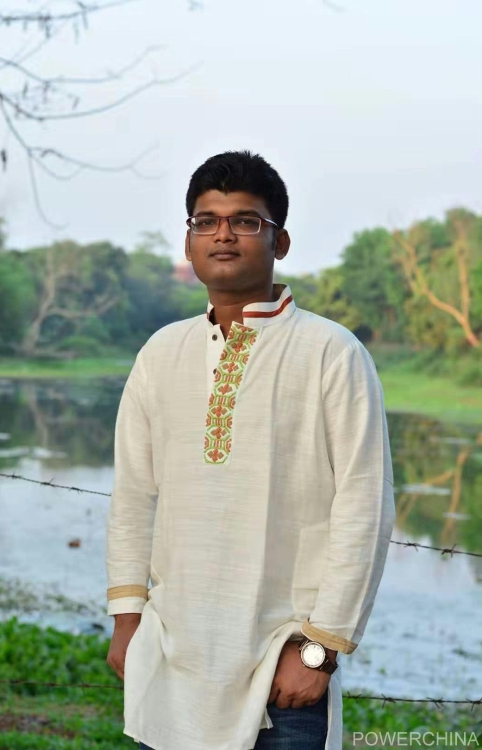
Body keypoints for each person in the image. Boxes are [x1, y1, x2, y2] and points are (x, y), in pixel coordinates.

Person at [105, 149, 396, 750]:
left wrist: (320, 649)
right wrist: (129, 619)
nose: (223, 235)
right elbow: (133, 495)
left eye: (245, 220)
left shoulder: (331, 352)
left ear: (279, 241)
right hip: (170, 658)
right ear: (189, 242)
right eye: (206, 221)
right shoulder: (162, 353)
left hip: (281, 668)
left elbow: (364, 506)